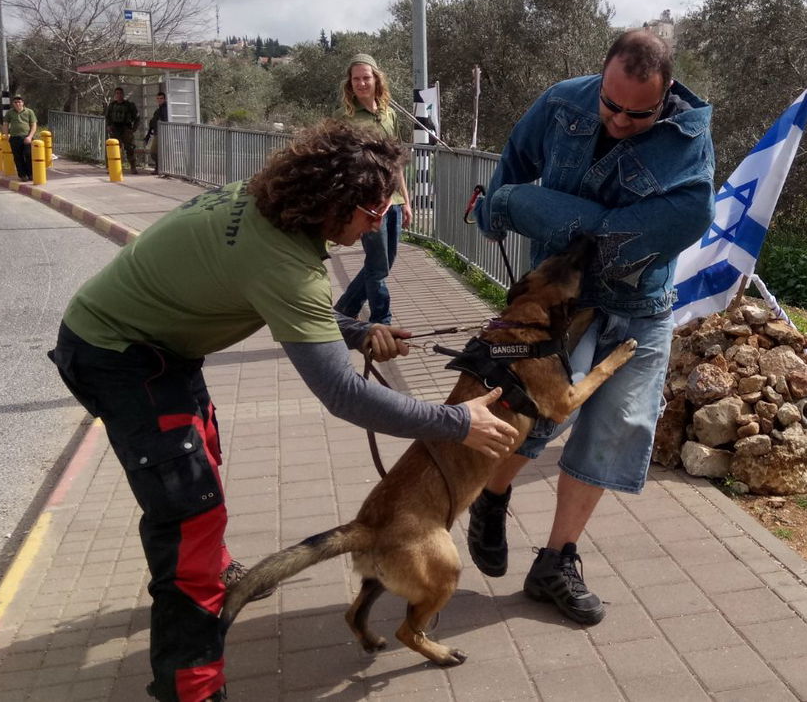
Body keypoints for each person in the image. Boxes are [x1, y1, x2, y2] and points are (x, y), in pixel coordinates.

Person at [47, 119, 518, 702]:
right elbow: (343, 396)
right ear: (333, 201)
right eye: (373, 211)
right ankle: (189, 688)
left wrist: (356, 329)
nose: (380, 224)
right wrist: (457, 421)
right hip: (115, 356)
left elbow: (284, 299)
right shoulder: (282, 262)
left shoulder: (270, 207)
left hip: (160, 346)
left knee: (205, 455)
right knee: (187, 520)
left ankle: (219, 574)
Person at [471, 29, 715, 625]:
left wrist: (528, 208)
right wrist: (498, 201)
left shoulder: (689, 145)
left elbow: (613, 235)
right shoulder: (562, 101)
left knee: (616, 430)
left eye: (638, 113)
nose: (619, 120)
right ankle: (491, 496)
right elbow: (515, 159)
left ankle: (556, 560)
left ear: (666, 97)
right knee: (529, 413)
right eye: (609, 104)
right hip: (552, 300)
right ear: (600, 75)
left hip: (638, 307)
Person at [335, 53, 412, 325]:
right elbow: (341, 163)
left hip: (394, 200)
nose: (361, 83)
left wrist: (407, 200)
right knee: (378, 266)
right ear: (350, 83)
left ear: (376, 79)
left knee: (384, 262)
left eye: (366, 77)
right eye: (356, 79)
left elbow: (397, 160)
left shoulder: (389, 113)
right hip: (368, 204)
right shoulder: (346, 118)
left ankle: (345, 308)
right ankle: (382, 321)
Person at [105, 86, 140, 174]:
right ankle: (113, 167)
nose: (119, 95)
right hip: (115, 129)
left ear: (123, 94)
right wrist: (109, 126)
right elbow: (108, 117)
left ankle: (133, 167)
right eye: (117, 93)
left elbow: (137, 117)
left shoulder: (129, 105)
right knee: (114, 149)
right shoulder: (112, 105)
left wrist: (134, 129)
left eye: (120, 93)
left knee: (130, 148)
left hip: (126, 129)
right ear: (115, 95)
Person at [3, 95, 38, 181]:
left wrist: (30, 137)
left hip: (26, 137)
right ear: (13, 104)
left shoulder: (29, 112)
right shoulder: (10, 113)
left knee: (28, 155)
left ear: (22, 103)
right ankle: (22, 175)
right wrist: (6, 135)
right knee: (18, 157)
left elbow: (33, 125)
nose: (17, 103)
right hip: (14, 137)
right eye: (15, 102)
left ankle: (30, 174)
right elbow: (6, 124)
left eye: (19, 102)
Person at [145, 91, 169, 174]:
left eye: (161, 98)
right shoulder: (158, 110)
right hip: (156, 133)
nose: (159, 100)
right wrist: (148, 135)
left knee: (154, 152)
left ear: (165, 99)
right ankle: (160, 168)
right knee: (155, 152)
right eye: (158, 98)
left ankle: (160, 168)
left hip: (163, 134)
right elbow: (152, 123)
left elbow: (165, 120)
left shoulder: (166, 109)